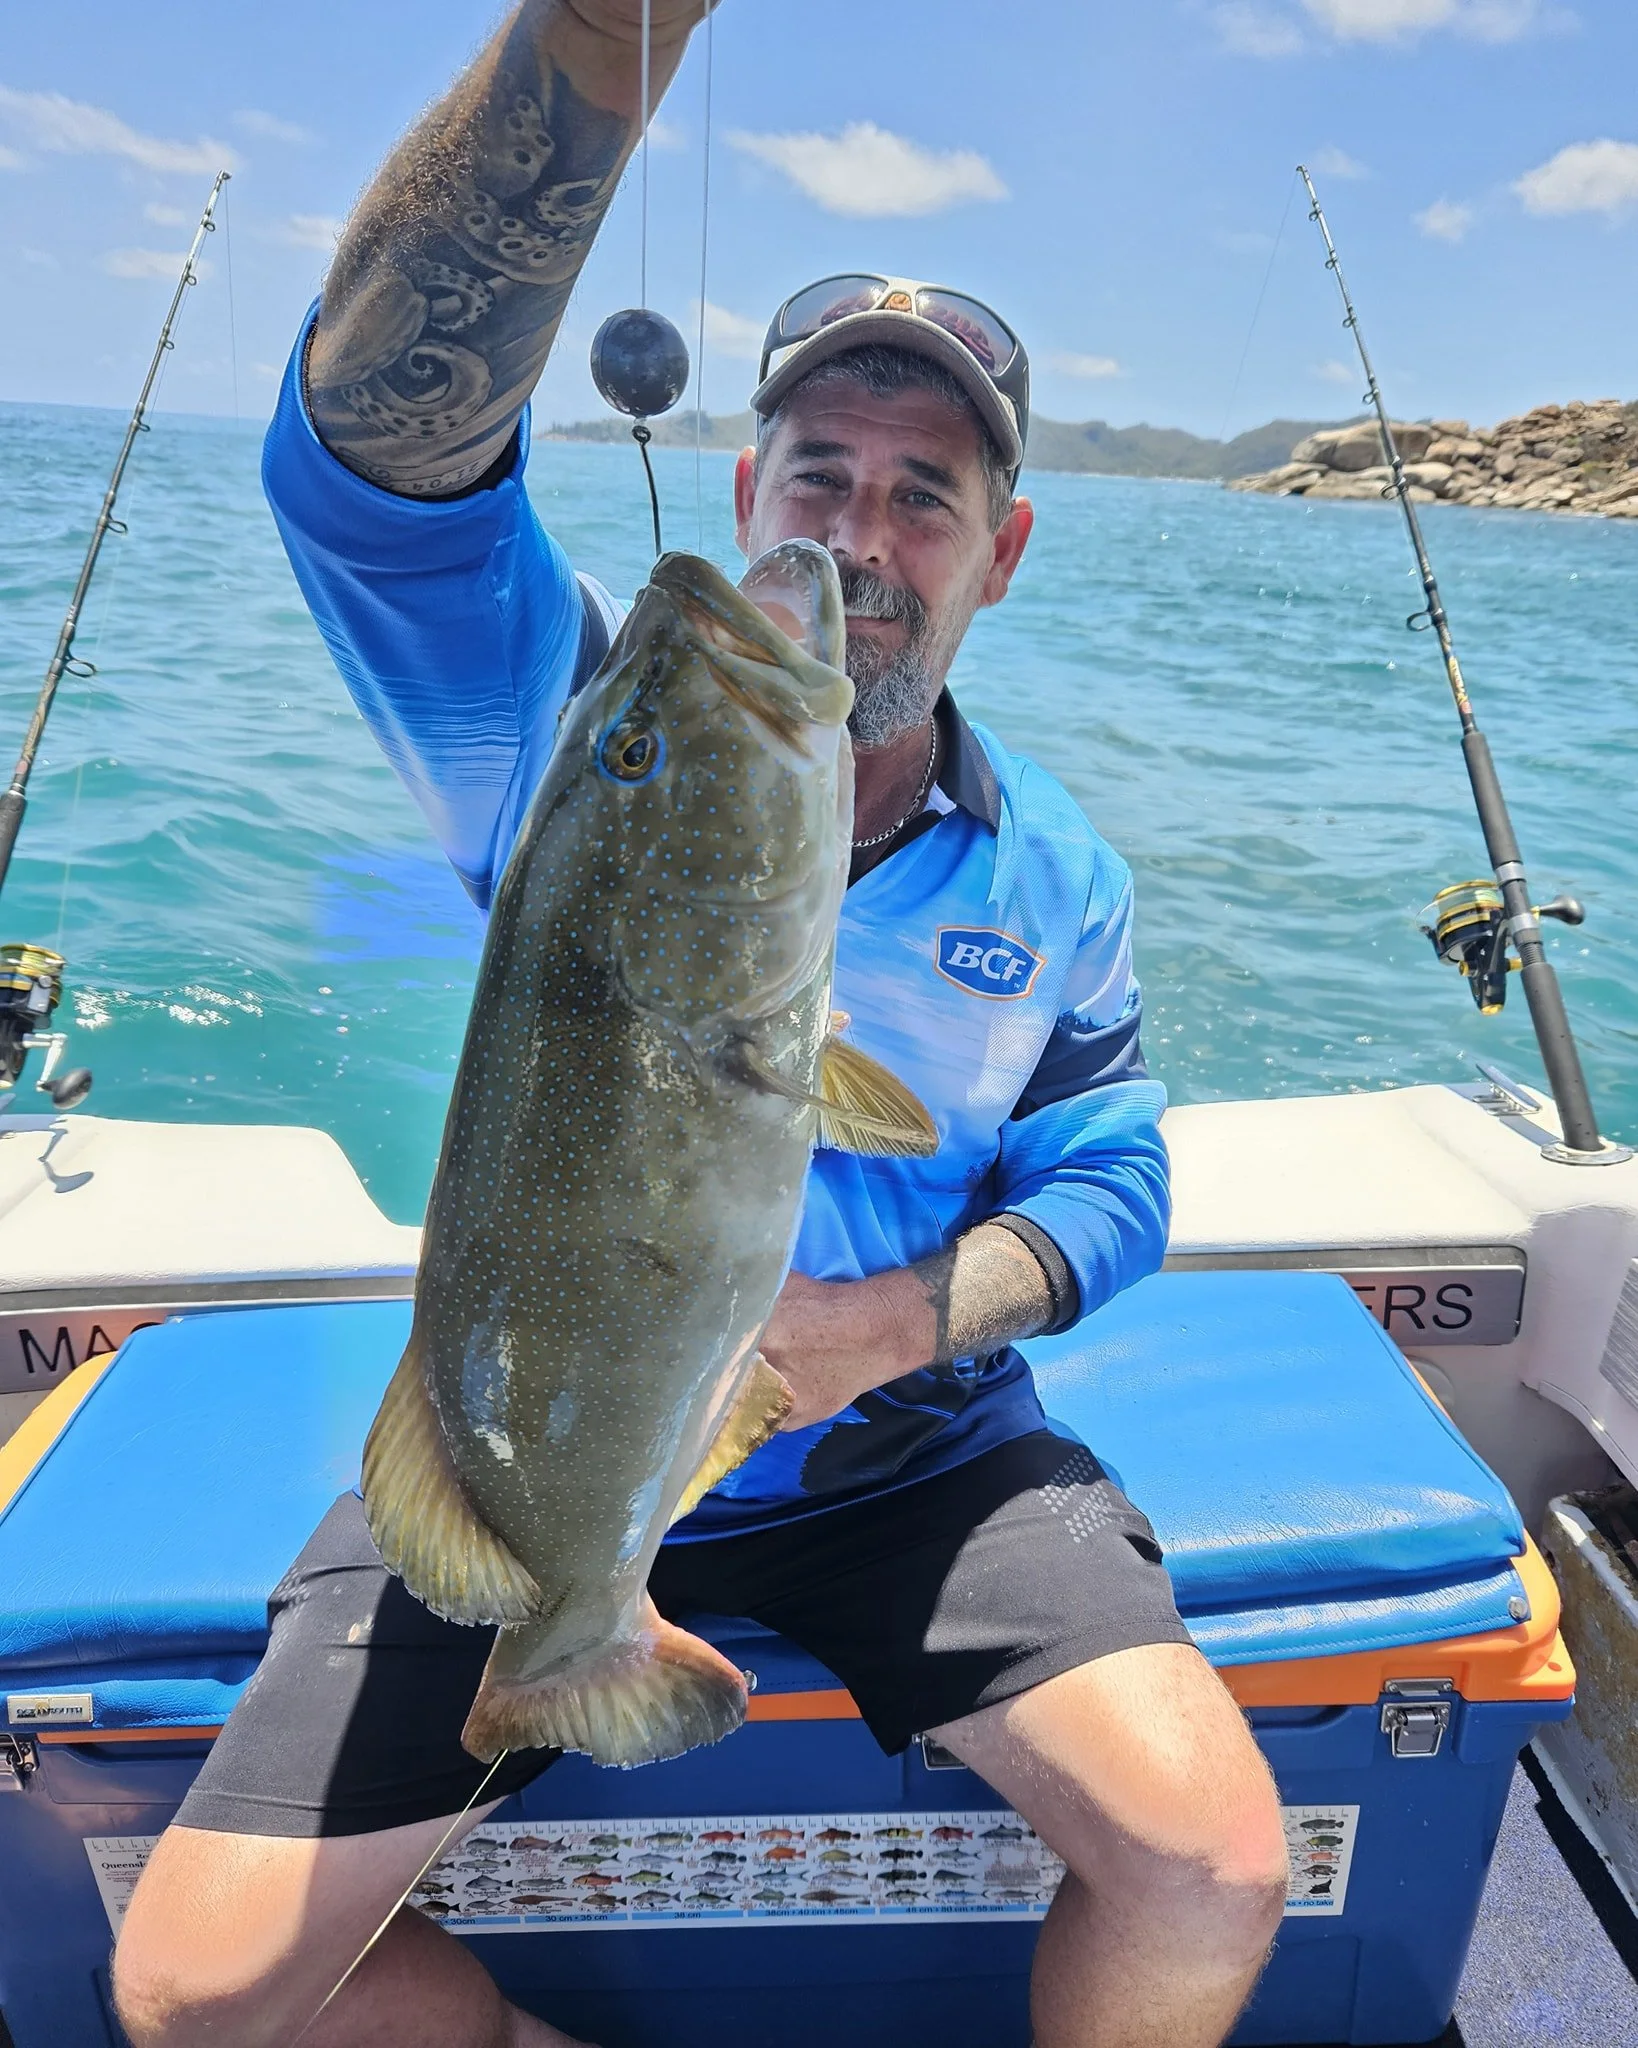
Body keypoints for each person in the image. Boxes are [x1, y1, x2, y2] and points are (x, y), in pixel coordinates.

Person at [111, 4, 1289, 2045]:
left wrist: (880, 1328)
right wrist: (593, 42)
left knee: (1218, 1866)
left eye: (926, 492)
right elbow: (376, 477)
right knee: (192, 2001)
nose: (858, 531)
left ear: (1002, 552)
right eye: (820, 470)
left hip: (906, 1455)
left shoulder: (1056, 878)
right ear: (749, 484)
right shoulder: (572, 736)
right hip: (532, 1445)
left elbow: (1114, 1174)